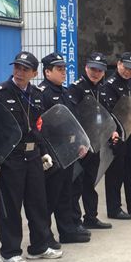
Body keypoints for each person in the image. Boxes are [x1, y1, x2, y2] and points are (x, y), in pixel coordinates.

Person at [0, 51, 62, 262]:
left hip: (33, 155)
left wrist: (43, 151)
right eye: (17, 67)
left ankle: (39, 245)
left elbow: (38, 126)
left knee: (37, 202)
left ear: (34, 73)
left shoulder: (37, 94)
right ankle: (9, 251)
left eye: (25, 69)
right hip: (11, 157)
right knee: (11, 206)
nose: (19, 72)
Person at [39, 52, 91, 244]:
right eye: (59, 69)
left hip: (68, 152)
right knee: (50, 196)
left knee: (66, 194)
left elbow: (73, 121)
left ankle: (67, 231)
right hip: (53, 152)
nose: (63, 72)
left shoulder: (65, 92)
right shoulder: (42, 94)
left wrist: (80, 143)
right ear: (47, 72)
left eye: (64, 69)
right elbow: (41, 126)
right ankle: (44, 236)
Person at [68, 52, 114, 230]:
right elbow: (72, 118)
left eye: (100, 70)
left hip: (96, 143)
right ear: (86, 67)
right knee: (76, 185)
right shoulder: (76, 88)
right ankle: (74, 221)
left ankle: (91, 217)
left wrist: (111, 132)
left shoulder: (102, 88)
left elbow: (106, 114)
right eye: (93, 69)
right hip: (81, 146)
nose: (96, 73)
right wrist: (79, 141)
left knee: (90, 182)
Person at [100, 52, 131, 219]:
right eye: (126, 68)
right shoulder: (109, 85)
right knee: (115, 173)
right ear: (118, 64)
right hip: (117, 135)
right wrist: (129, 126)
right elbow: (111, 113)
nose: (128, 72)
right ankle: (114, 208)